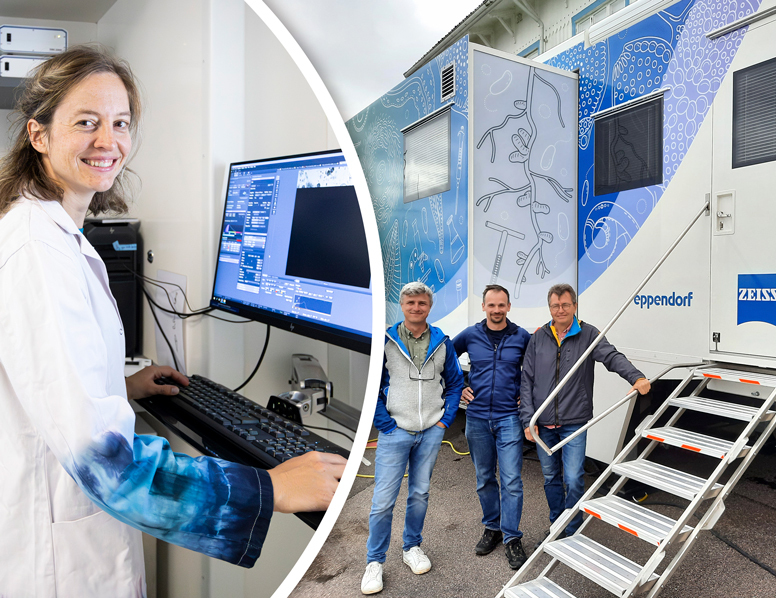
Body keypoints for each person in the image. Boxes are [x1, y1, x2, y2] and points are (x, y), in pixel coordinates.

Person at [0, 46, 346, 597]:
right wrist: (268, 488)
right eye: (85, 122)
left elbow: (47, 386)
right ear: (39, 135)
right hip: (59, 566)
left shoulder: (52, 234)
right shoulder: (36, 251)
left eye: (120, 123)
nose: (107, 141)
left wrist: (122, 384)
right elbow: (103, 465)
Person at [520, 283, 651, 538]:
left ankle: (572, 529)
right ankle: (557, 525)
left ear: (575, 306)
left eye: (565, 305)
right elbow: (526, 380)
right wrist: (528, 419)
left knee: (574, 478)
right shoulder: (538, 337)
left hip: (573, 422)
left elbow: (612, 357)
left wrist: (636, 377)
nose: (560, 310)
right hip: (542, 424)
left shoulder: (589, 334)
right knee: (550, 478)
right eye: (555, 306)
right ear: (549, 308)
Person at [363, 281, 463, 595]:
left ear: (429, 307)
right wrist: (385, 424)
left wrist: (445, 421)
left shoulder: (442, 342)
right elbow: (372, 386)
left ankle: (412, 548)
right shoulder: (385, 342)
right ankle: (374, 562)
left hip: (431, 432)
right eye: (410, 304)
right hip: (395, 432)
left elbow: (456, 383)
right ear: (402, 307)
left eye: (422, 304)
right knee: (382, 503)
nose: (416, 308)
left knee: (419, 495)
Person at [452, 284, 531, 569]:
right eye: (491, 305)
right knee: (485, 477)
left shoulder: (522, 337)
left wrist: (528, 393)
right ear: (484, 307)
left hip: (509, 417)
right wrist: (458, 386)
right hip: (476, 418)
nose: (496, 310)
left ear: (508, 307)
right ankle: (492, 528)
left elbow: (536, 370)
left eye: (501, 305)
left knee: (511, 481)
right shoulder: (471, 335)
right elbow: (444, 358)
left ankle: (511, 537)